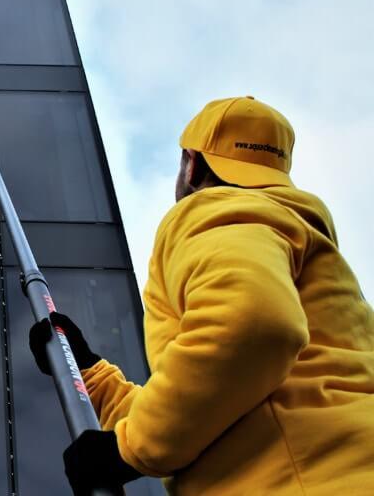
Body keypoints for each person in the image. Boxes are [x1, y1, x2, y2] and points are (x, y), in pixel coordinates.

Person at [29, 96, 374, 495]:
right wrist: (92, 374)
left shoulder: (216, 209)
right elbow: (210, 409)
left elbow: (254, 324)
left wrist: (127, 450)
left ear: (191, 164)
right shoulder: (300, 240)